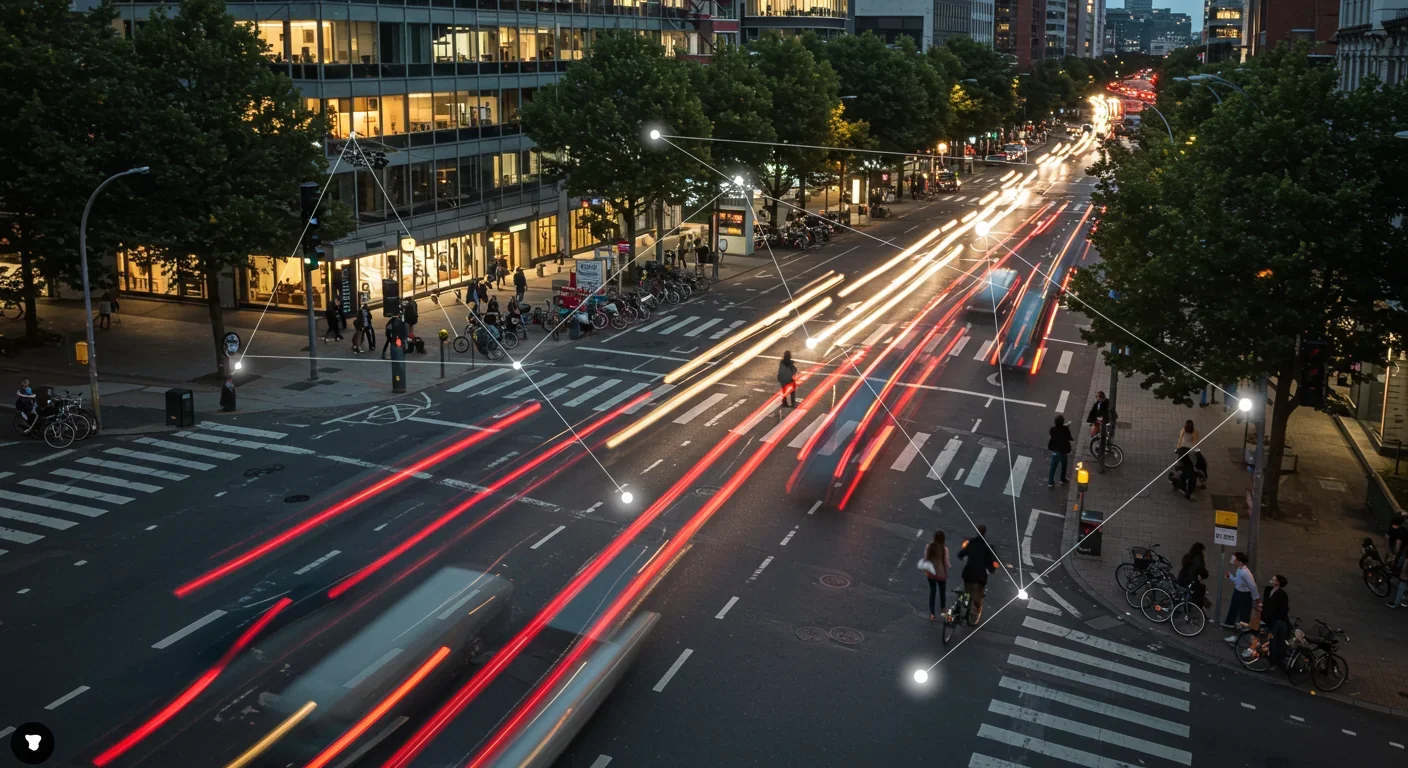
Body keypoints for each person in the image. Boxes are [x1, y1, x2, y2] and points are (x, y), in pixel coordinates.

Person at [957, 525, 998, 626]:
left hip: (968, 573)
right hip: (980, 576)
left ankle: (964, 604)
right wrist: (992, 569)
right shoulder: (987, 547)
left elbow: (960, 554)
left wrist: (965, 558)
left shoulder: (971, 543)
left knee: (967, 589)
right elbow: (990, 563)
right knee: (978, 594)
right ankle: (975, 612)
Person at [1222, 551, 1257, 639]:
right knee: (1233, 609)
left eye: (1235, 560)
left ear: (1240, 562)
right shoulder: (1239, 569)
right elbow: (1238, 582)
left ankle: (1239, 636)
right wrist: (1230, 577)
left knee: (1244, 616)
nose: (1234, 561)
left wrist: (1257, 599)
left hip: (1245, 595)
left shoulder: (1245, 573)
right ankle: (1229, 625)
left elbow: (1253, 586)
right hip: (1237, 592)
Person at [1260, 575, 1291, 666]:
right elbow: (1266, 602)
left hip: (1277, 620)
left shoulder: (1282, 594)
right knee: (1268, 638)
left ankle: (1274, 661)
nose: (1272, 580)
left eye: (1274, 579)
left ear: (1278, 582)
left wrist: (1275, 615)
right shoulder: (1268, 589)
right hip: (1268, 618)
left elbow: (1285, 609)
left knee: (1274, 641)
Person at [922, 530, 950, 620]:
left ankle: (932, 613)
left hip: (931, 573)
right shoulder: (944, 549)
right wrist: (949, 566)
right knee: (942, 592)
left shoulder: (929, 546)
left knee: (933, 591)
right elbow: (946, 562)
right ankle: (943, 610)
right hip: (941, 574)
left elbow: (926, 559)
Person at [1176, 542, 1209, 609]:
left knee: (1189, 594)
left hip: (1182, 578)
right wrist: (1205, 574)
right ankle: (1198, 608)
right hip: (1189, 580)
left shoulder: (1189, 556)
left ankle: (1188, 608)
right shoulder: (1198, 559)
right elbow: (1198, 571)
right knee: (1200, 591)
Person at [1048, 415, 1074, 487]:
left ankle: (1050, 482)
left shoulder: (1052, 429)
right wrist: (1067, 427)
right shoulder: (1065, 429)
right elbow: (1069, 437)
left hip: (1055, 451)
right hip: (1063, 451)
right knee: (1064, 466)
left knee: (1053, 467)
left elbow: (1051, 433)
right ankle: (1062, 479)